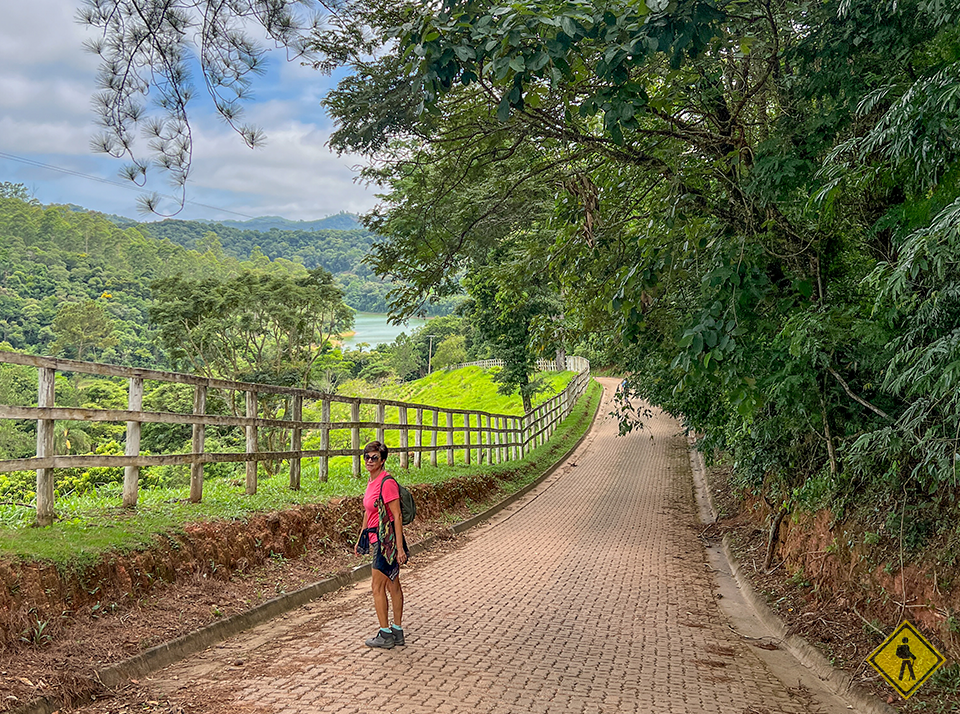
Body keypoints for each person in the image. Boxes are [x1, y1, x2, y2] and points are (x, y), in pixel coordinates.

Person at [355, 440, 409, 649]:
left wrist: (399, 548)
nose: (369, 461)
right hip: (377, 538)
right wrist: (362, 537)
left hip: (385, 542)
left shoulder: (387, 483)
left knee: (377, 587)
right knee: (392, 583)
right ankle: (397, 631)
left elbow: (397, 516)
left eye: (374, 457)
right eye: (366, 457)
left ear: (383, 460)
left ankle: (386, 634)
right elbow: (369, 512)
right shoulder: (372, 481)